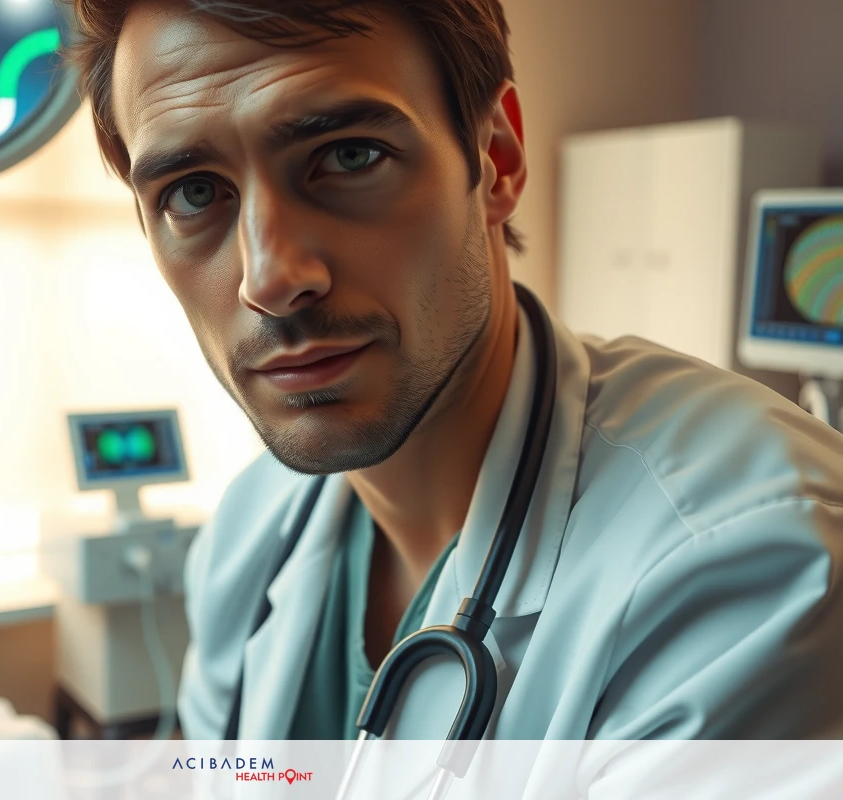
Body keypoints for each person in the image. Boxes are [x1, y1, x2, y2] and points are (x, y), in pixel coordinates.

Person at [62, 0, 843, 745]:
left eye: (348, 156)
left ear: (496, 159)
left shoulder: (754, 563)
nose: (270, 279)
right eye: (194, 193)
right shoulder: (247, 531)